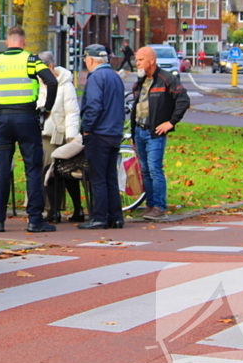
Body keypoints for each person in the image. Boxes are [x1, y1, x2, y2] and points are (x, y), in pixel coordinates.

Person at [0, 26, 57, 233]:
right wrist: (47, 109)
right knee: (33, 169)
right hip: (27, 117)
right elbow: (52, 82)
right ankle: (34, 220)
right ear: (23, 42)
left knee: (2, 169)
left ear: (7, 42)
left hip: (3, 119)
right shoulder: (31, 60)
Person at [130, 45, 191, 221]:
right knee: (145, 171)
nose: (137, 63)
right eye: (136, 60)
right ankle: (150, 205)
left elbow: (183, 99)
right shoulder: (140, 82)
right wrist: (133, 134)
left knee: (155, 169)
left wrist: (170, 123)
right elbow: (137, 108)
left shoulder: (166, 79)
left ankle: (159, 206)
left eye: (140, 60)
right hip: (140, 131)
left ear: (152, 60)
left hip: (154, 132)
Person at [77, 44, 126, 230]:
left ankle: (99, 218)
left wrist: (87, 128)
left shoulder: (96, 77)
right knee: (110, 177)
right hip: (114, 133)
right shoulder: (115, 76)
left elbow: (94, 105)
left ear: (90, 60)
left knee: (97, 177)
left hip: (99, 133)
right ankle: (116, 217)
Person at [38, 51, 84, 223]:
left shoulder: (65, 85)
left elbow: (72, 112)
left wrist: (71, 137)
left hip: (61, 136)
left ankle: (74, 208)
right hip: (44, 135)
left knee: (63, 173)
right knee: (48, 173)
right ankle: (52, 209)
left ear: (50, 66)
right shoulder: (40, 83)